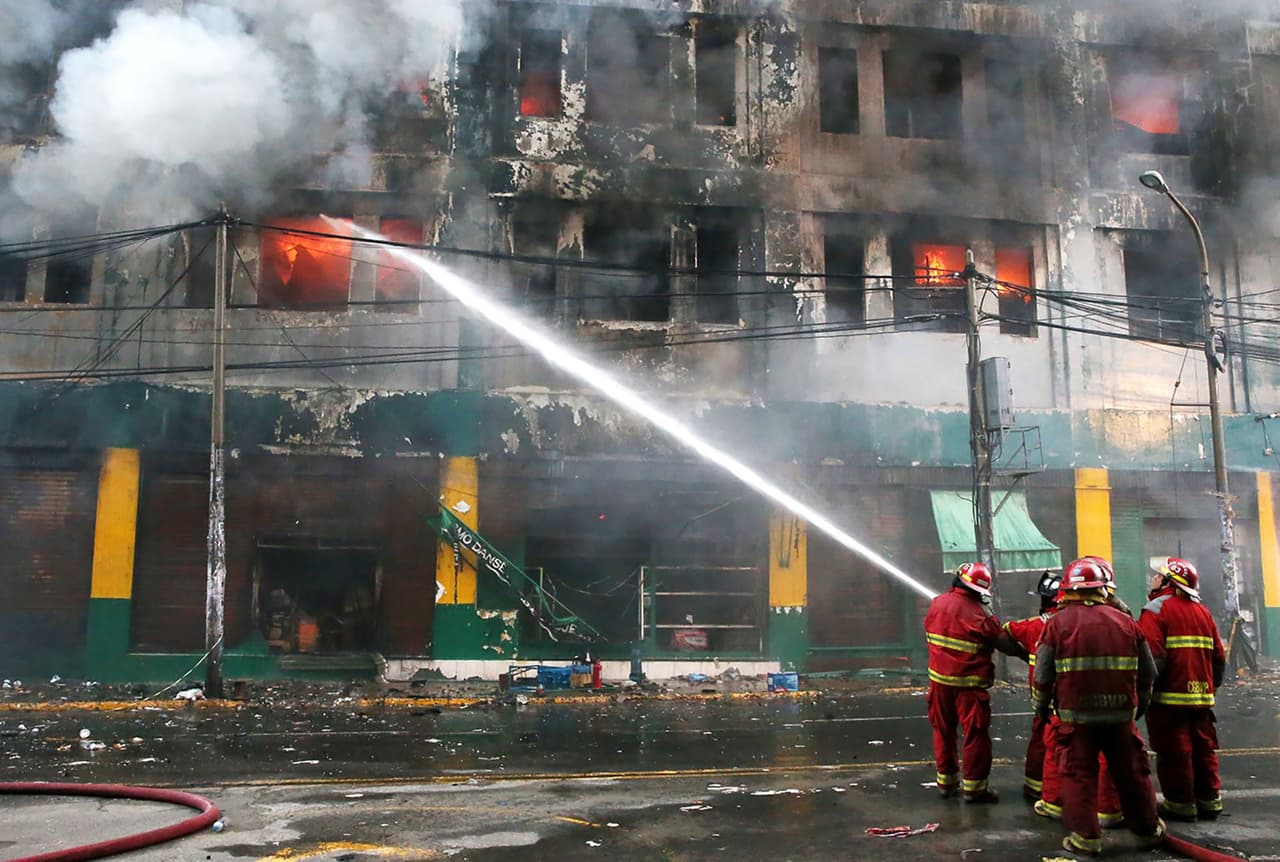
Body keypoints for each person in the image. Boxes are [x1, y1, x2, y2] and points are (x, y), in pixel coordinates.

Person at [1033, 557, 1165, 856]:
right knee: (1132, 775)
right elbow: (1148, 674)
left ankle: (1086, 839)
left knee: (1079, 777)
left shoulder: (1056, 624)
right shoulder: (1127, 623)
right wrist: (1138, 708)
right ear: (1104, 589)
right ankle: (1146, 833)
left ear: (1069, 590)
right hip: (1120, 718)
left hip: (1075, 720)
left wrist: (1041, 707)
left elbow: (1042, 676)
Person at [999, 570, 1123, 828]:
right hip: (1091, 702)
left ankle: (1044, 794)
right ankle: (1104, 808)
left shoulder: (1039, 625)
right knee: (1097, 754)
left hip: (1054, 703)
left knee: (1048, 750)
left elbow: (1005, 634)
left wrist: (1023, 654)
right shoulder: (1108, 621)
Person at [1139, 556, 1227, 822]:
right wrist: (1210, 687)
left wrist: (1144, 691)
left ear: (1168, 581)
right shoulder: (1203, 611)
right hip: (1201, 697)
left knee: (1175, 751)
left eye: (1158, 575)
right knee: (1203, 749)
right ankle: (1209, 800)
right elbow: (1219, 657)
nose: (1153, 578)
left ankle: (1181, 804)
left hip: (1169, 699)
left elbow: (1153, 658)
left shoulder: (1155, 610)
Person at [924, 561, 1003, 803]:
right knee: (975, 735)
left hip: (939, 683)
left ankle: (946, 784)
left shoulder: (937, 603)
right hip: (970, 687)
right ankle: (975, 789)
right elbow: (999, 640)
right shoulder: (983, 615)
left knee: (943, 730)